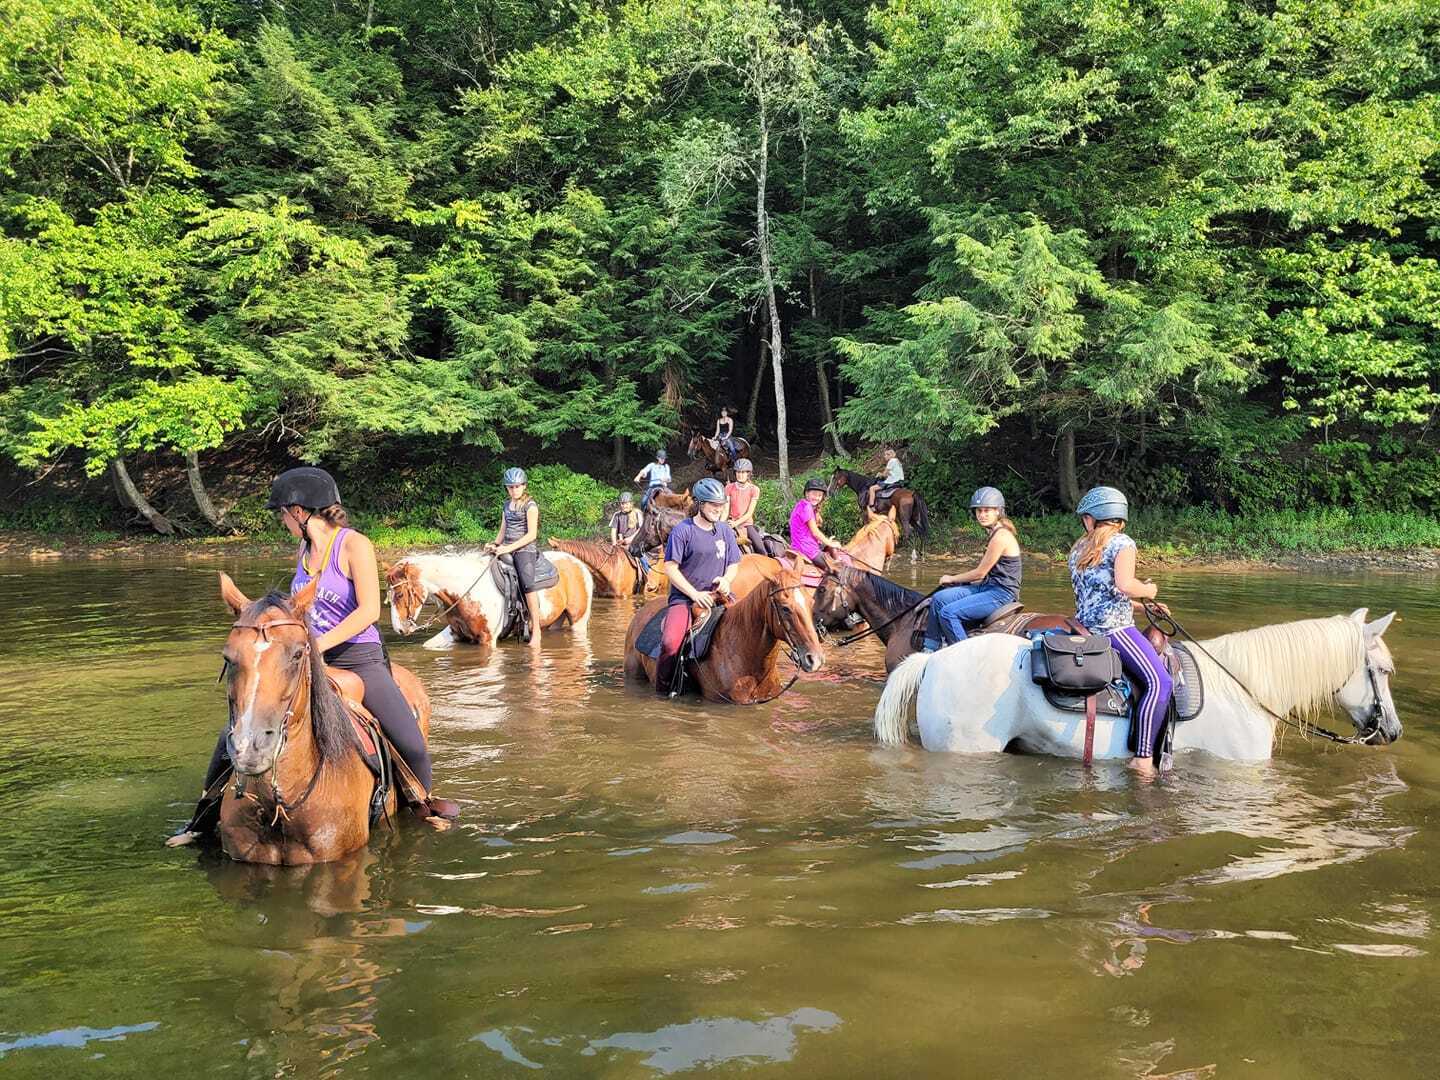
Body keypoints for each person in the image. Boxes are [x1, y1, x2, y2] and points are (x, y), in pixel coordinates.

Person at [168, 467, 455, 845]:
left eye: (283, 514)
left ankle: (421, 803)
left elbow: (369, 611)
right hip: (306, 657)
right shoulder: (303, 551)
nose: (282, 521)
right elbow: (298, 610)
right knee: (233, 731)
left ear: (300, 512)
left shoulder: (354, 545)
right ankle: (203, 819)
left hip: (358, 656)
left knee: (411, 742)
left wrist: (321, 644)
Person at [1069, 486, 1173, 780]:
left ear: (1091, 520)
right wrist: (1150, 591)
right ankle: (1142, 759)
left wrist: (1143, 609)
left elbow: (1102, 594)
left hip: (1084, 626)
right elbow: (1125, 585)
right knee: (1160, 682)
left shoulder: (1080, 548)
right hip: (1114, 630)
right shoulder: (1122, 543)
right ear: (1119, 519)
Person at [656, 477, 742, 696]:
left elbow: (733, 563)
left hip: (720, 596)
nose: (718, 510)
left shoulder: (725, 531)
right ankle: (664, 691)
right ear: (700, 504)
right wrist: (694, 594)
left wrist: (726, 580)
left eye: (721, 505)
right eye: (713, 505)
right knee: (670, 643)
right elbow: (670, 568)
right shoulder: (682, 531)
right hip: (685, 599)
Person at [922, 486, 1022, 651]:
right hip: (987, 586)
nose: (982, 515)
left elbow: (980, 572)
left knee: (948, 613)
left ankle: (966, 655)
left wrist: (952, 579)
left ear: (998, 511)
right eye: (979, 511)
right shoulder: (994, 533)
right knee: (938, 599)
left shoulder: (1001, 536)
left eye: (986, 511)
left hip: (1001, 593)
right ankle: (929, 649)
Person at [485, 467, 544, 646]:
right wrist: (494, 545)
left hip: (524, 549)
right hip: (506, 546)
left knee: (527, 584)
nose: (514, 490)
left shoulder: (530, 506)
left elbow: (532, 534)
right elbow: (503, 530)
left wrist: (508, 548)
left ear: (524, 486)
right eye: (510, 487)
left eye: (517, 486)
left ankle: (537, 631)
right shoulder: (506, 505)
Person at [789, 477, 841, 570]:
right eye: (814, 494)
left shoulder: (802, 504)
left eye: (819, 495)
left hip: (799, 545)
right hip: (807, 549)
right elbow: (815, 532)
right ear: (807, 493)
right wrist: (829, 542)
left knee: (832, 547)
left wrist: (825, 542)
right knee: (838, 570)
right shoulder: (807, 507)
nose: (816, 497)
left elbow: (807, 531)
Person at [724, 458, 763, 551]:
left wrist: (736, 523)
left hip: (746, 524)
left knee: (761, 549)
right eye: (738, 472)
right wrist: (721, 523)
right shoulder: (729, 487)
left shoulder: (754, 489)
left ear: (748, 474)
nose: (740, 475)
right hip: (730, 522)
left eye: (743, 472)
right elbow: (726, 509)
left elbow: (749, 513)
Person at [865, 448, 905, 514]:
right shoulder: (897, 461)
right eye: (885, 455)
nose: (885, 456)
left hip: (892, 481)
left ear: (890, 455)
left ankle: (871, 506)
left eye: (886, 455)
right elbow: (891, 473)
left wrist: (879, 474)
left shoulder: (891, 461)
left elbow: (884, 474)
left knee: (872, 488)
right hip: (900, 481)